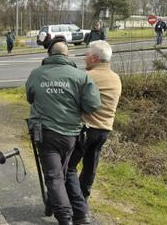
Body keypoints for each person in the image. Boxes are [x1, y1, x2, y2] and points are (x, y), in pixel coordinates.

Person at [26, 37, 101, 225]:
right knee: (63, 172)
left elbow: (30, 97)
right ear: (68, 55)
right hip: (71, 135)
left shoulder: (36, 74)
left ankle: (65, 217)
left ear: (49, 54)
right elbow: (93, 105)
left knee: (54, 176)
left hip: (46, 134)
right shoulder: (81, 76)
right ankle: (77, 213)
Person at [65, 40, 122, 224]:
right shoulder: (116, 78)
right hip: (104, 130)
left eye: (87, 53)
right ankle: (83, 200)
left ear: (95, 57)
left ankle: (79, 207)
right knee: (90, 166)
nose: (84, 57)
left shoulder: (87, 77)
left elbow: (72, 103)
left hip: (85, 129)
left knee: (69, 168)